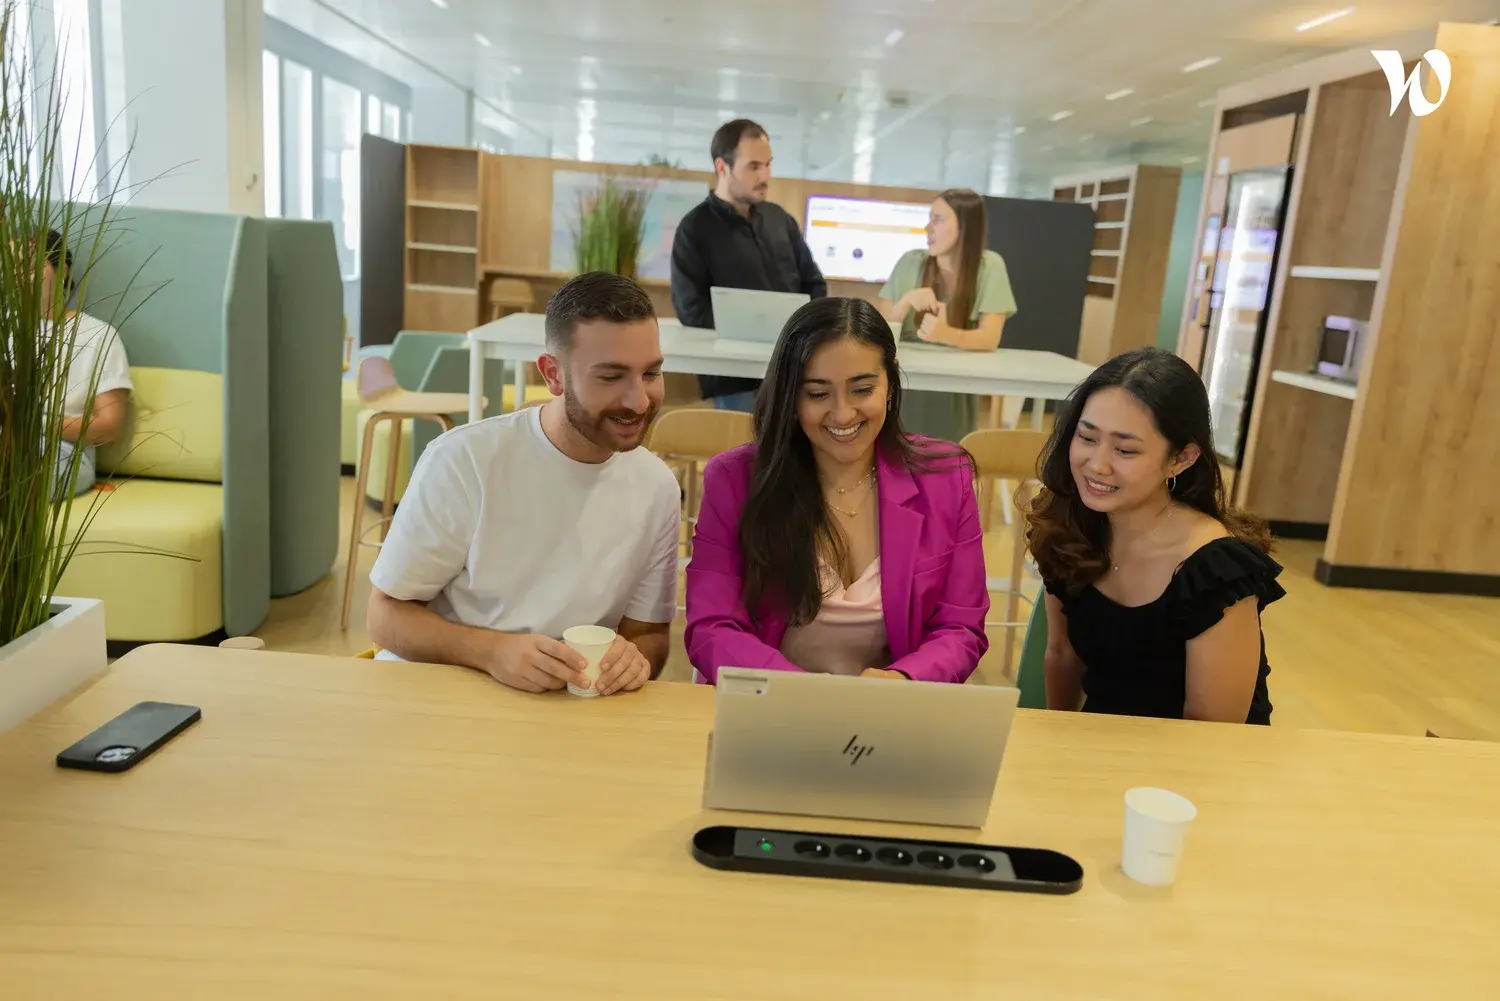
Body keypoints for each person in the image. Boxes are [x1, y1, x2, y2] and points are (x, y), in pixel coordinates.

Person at [366, 272, 682, 697]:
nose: (639, 401)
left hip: (563, 709)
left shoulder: (657, 487)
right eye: (611, 377)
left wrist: (632, 660)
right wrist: (491, 651)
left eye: (651, 373)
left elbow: (649, 636)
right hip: (440, 693)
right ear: (553, 374)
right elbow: (385, 616)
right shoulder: (466, 460)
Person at [685, 296, 989, 684]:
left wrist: (903, 680)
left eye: (862, 389)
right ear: (791, 398)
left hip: (890, 715)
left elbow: (961, 628)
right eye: (817, 394)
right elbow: (712, 627)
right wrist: (800, 691)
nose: (843, 414)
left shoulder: (946, 477)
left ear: (890, 383)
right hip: (769, 706)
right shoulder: (734, 480)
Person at [1025, 347, 1284, 725]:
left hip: (1197, 767)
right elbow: (1062, 655)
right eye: (1087, 438)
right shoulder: (1070, 524)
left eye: (1125, 449)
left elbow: (1212, 730)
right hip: (1101, 751)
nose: (1097, 465)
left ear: (1182, 458)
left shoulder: (1215, 568)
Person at [670, 118, 828, 411]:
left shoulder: (781, 220)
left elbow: (814, 285)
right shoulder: (694, 228)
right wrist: (754, 329)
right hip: (734, 380)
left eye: (768, 165)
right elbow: (690, 309)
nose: (765, 175)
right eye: (754, 166)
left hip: (793, 373)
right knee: (746, 457)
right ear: (722, 167)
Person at [875, 189, 1017, 444]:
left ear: (965, 226)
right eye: (930, 218)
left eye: (938, 219)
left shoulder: (990, 266)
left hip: (955, 387)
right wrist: (907, 300)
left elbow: (989, 338)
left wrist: (945, 334)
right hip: (904, 384)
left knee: (947, 465)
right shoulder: (910, 262)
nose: (927, 227)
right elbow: (879, 332)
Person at [42, 229, 132, 501]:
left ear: (63, 271)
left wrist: (35, 426)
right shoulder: (5, 330)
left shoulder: (97, 335)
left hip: (63, 453)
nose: (22, 274)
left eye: (32, 264)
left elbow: (109, 425)